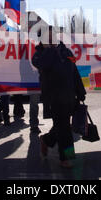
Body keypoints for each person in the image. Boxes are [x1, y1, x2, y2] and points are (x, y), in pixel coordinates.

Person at [32, 26, 86, 168]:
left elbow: (74, 72)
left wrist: (80, 91)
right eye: (47, 37)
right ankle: (65, 158)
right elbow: (43, 64)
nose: (51, 40)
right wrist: (49, 49)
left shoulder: (66, 51)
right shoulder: (39, 54)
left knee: (61, 125)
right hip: (53, 97)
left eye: (53, 36)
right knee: (64, 128)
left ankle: (46, 140)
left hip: (69, 95)